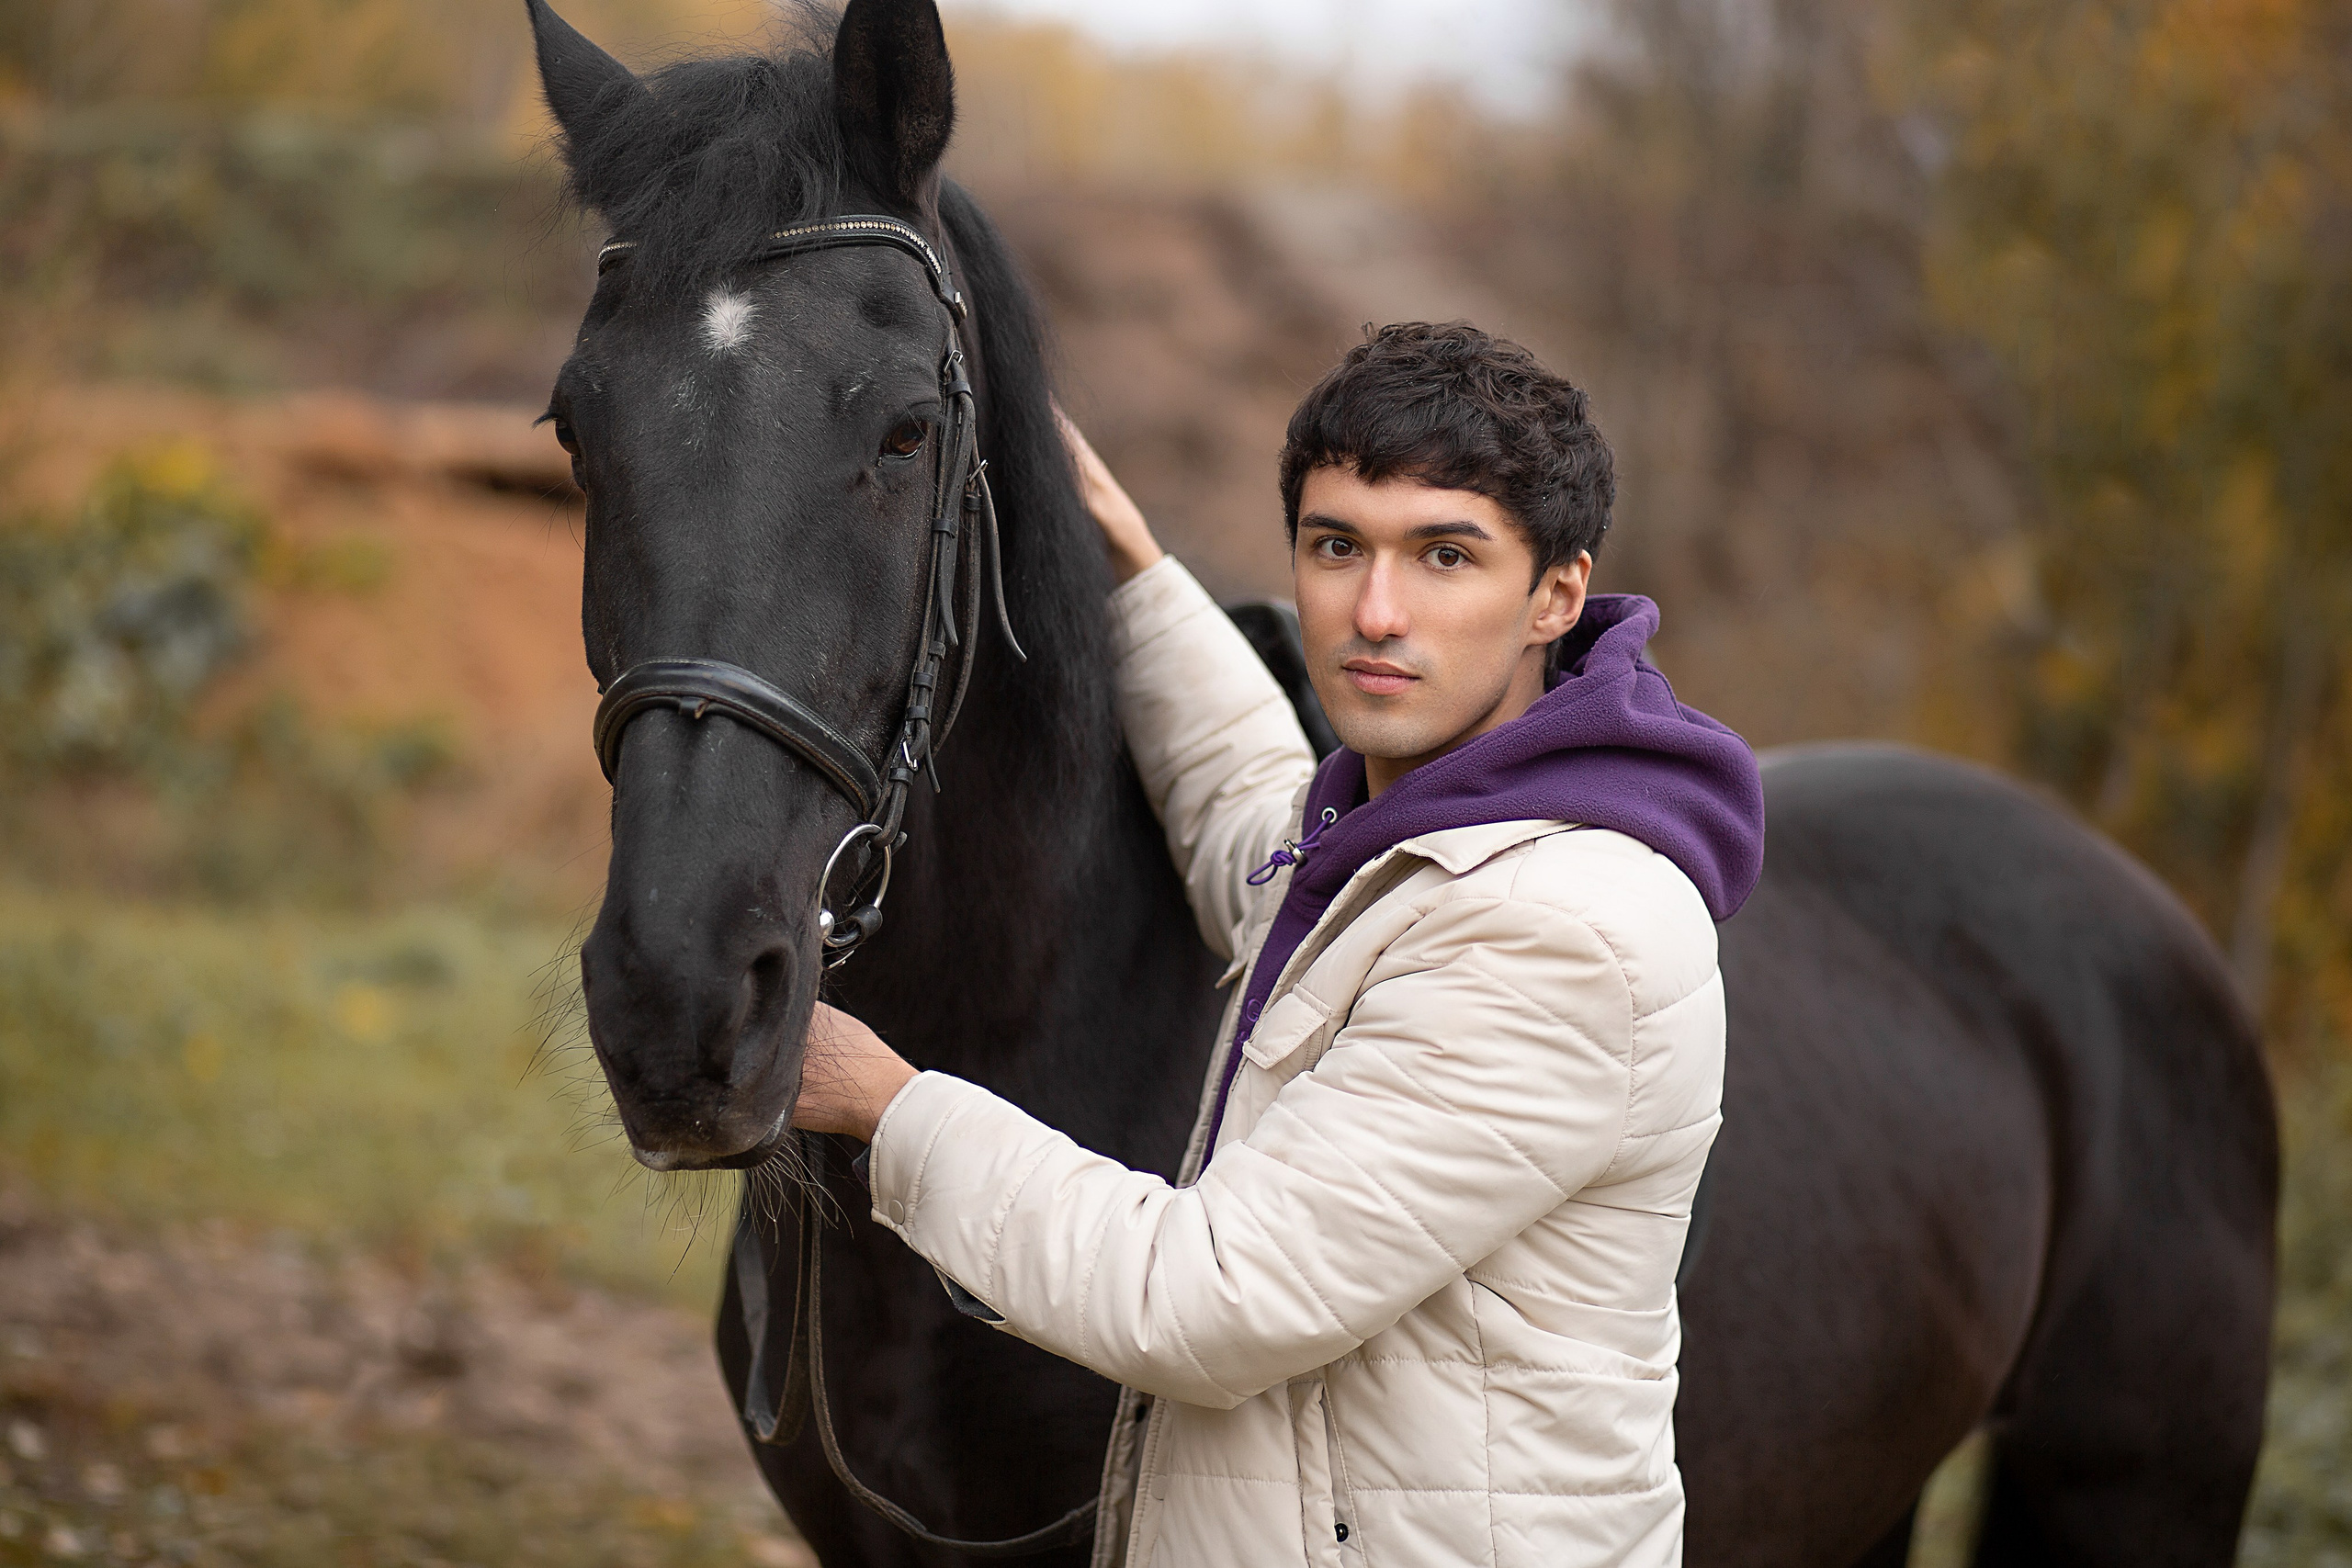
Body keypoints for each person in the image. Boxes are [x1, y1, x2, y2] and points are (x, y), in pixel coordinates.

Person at [793, 321, 1766, 1568]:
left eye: (1445, 556)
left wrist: (889, 1106)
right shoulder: (1430, 826)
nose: (1375, 611)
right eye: (1336, 545)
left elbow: (1205, 1300)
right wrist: (1130, 566)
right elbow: (1255, 826)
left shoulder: (1557, 933)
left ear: (1557, 595)